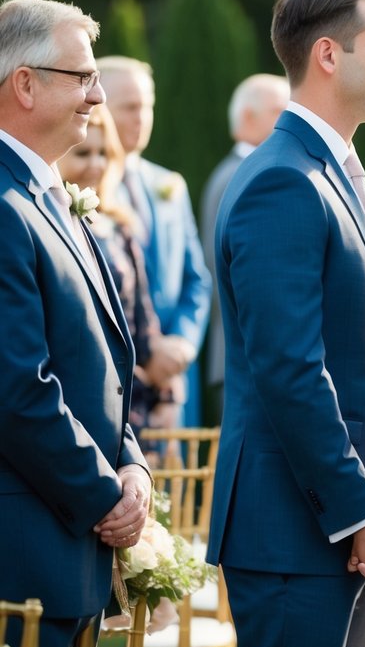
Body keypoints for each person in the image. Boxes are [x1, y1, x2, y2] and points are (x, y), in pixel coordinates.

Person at [206, 0, 365, 647]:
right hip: (292, 529)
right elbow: (291, 374)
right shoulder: (283, 182)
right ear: (329, 55)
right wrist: (360, 512)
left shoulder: (338, 172)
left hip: (333, 521)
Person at [0, 0, 150, 647]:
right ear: (24, 84)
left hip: (65, 545)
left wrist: (134, 465)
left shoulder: (49, 191)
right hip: (25, 550)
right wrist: (104, 494)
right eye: (82, 77)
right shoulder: (5, 207)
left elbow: (103, 363)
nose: (99, 96)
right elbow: (16, 387)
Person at [97, 55, 212, 428]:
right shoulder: (81, 184)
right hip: (116, 381)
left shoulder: (169, 186)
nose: (141, 117)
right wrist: (145, 355)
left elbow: (197, 278)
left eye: (147, 106)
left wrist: (182, 344)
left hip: (174, 379)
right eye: (129, 107)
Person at [59, 103, 174, 433]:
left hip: (129, 401)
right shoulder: (48, 224)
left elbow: (143, 320)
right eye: (84, 154)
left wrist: (166, 394)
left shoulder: (122, 228)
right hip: (71, 398)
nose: (95, 165)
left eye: (104, 153)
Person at [200, 73, 290, 417]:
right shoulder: (242, 176)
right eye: (279, 111)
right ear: (248, 118)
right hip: (251, 361)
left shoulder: (244, 172)